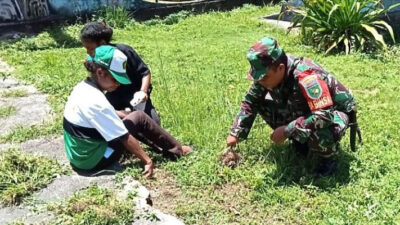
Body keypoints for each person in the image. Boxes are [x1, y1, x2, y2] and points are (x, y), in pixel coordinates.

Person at [226, 37, 357, 176]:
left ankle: (327, 160)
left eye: (264, 77)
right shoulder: (269, 72)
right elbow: (251, 102)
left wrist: (287, 130)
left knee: (320, 131)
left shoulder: (306, 76)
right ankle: (301, 142)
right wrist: (236, 132)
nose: (260, 81)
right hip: (309, 110)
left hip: (335, 113)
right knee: (261, 103)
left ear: (281, 68)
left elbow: (325, 116)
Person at [63, 45, 191, 177]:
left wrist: (126, 115)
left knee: (131, 116)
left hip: (79, 156)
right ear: (100, 72)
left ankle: (163, 148)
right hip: (95, 160)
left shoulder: (83, 88)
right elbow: (124, 137)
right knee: (139, 117)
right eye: (115, 79)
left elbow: (106, 114)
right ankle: (177, 150)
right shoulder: (97, 102)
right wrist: (147, 160)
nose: (118, 84)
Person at [80, 22, 160, 125]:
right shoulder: (95, 57)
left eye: (90, 49)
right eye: (86, 49)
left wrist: (143, 92)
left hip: (135, 93)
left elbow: (145, 72)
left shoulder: (124, 52)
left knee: (153, 123)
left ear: (103, 44)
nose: (88, 52)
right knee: (103, 118)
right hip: (114, 93)